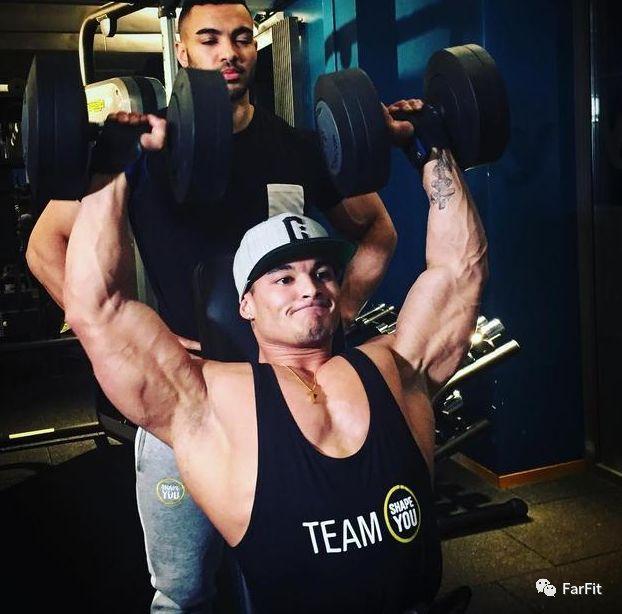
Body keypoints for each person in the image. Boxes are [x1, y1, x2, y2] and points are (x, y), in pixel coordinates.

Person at [25, 1, 397, 610]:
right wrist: (111, 333)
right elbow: (45, 245)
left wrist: (342, 308)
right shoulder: (141, 144)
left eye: (243, 38)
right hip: (182, 391)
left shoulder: (296, 148)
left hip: (283, 395)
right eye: (210, 39)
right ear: (181, 51)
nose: (229, 52)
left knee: (288, 576)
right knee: (183, 589)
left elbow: (378, 231)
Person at [63, 95, 488, 612]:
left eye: (322, 273)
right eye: (283, 278)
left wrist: (432, 150)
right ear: (245, 303)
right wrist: (112, 169)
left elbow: (458, 273)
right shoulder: (209, 401)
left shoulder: (393, 368)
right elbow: (99, 309)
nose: (309, 288)